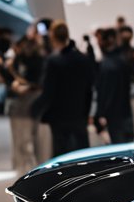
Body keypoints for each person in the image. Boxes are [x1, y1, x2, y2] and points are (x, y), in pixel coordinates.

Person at [34, 20, 95, 158]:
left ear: (53, 37)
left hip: (59, 118)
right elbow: (89, 90)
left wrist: (35, 109)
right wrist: (86, 114)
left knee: (62, 158)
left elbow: (48, 92)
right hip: (79, 115)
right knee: (82, 157)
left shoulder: (53, 62)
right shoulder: (83, 59)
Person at [3, 33, 48, 174]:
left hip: (35, 101)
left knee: (38, 141)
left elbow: (41, 81)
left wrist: (25, 85)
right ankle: (26, 169)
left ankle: (40, 169)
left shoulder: (41, 59)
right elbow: (11, 78)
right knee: (23, 140)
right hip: (23, 103)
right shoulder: (19, 59)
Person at [94, 28, 134, 144]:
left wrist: (100, 114)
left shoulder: (107, 65)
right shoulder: (123, 60)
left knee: (120, 152)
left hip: (114, 117)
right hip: (125, 113)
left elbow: (105, 93)